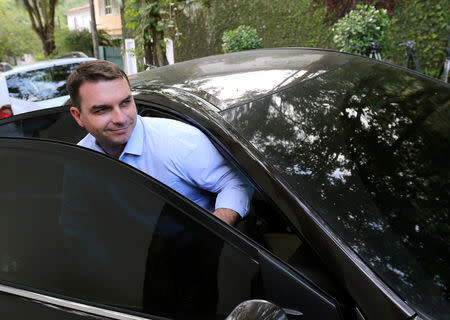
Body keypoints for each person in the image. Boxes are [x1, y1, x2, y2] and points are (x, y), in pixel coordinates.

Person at [66, 60, 253, 226]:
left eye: (125, 103)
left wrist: (215, 229)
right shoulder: (78, 162)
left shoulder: (180, 140)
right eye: (102, 110)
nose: (121, 118)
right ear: (78, 116)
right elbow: (78, 225)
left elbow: (235, 184)